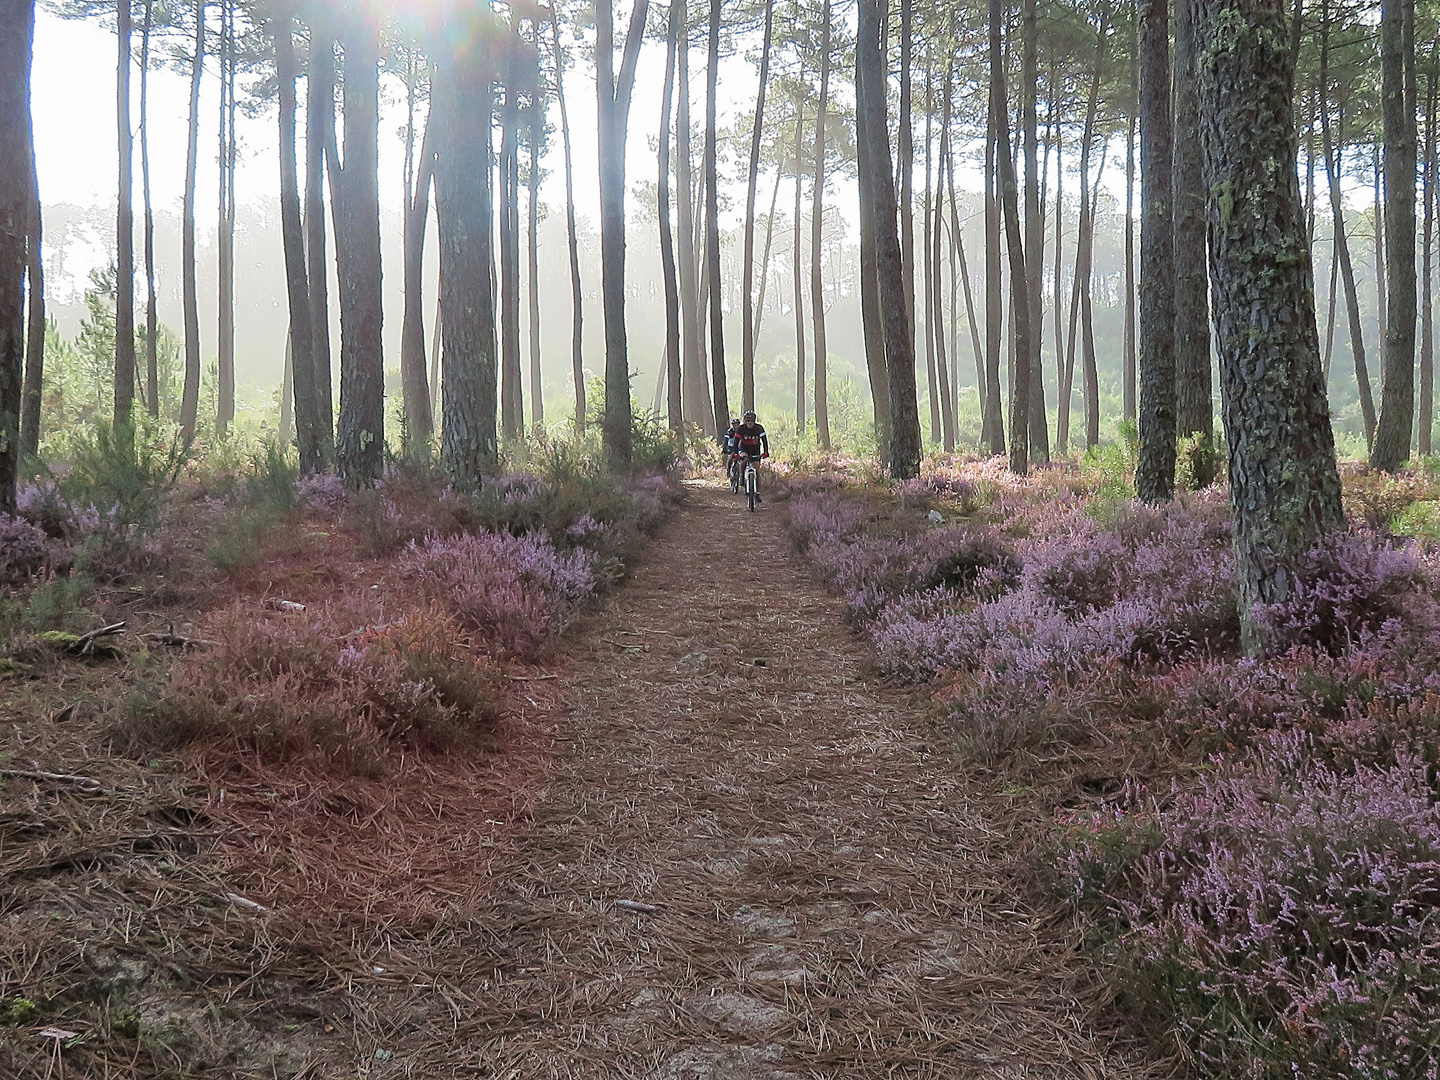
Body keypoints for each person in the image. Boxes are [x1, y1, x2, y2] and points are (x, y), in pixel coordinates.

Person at [732, 411, 769, 499]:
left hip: (755, 449)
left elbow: (764, 440)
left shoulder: (759, 428)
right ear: (745, 421)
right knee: (744, 459)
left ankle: (758, 493)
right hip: (744, 448)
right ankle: (741, 475)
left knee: (757, 471)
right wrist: (735, 453)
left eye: (751, 421)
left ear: (754, 421)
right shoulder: (741, 429)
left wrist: (766, 452)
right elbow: (736, 442)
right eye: (748, 421)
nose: (750, 423)